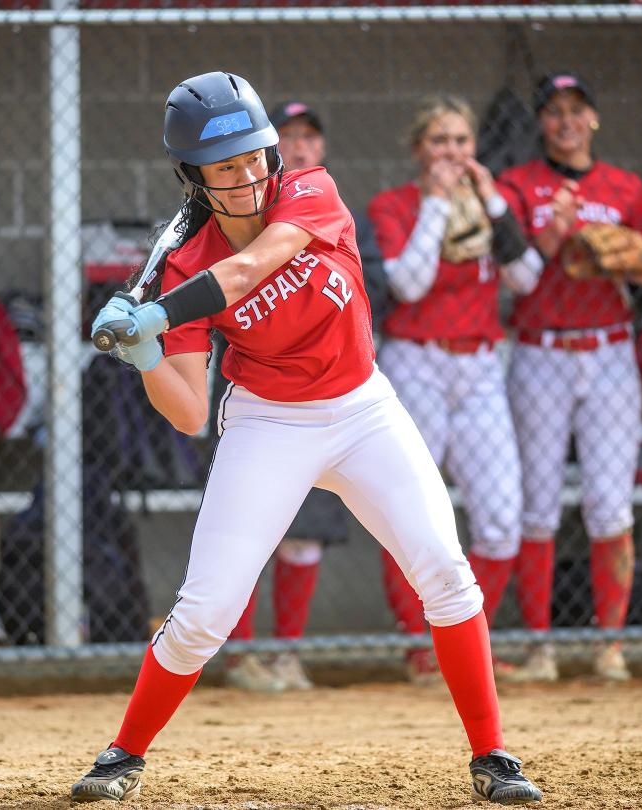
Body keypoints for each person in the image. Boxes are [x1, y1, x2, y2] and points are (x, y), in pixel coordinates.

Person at [71, 71, 542, 805]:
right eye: (226, 168)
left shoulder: (307, 189)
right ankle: (122, 754)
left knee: (446, 574)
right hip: (269, 420)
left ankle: (492, 756)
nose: (250, 175)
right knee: (204, 613)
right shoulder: (184, 263)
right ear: (193, 177)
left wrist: (159, 313)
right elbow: (190, 412)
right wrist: (145, 356)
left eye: (256, 155)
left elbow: (258, 262)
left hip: (363, 408)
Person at [367, 96, 542, 686]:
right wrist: (438, 207)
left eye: (461, 141)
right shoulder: (395, 205)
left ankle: (468, 640)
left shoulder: (491, 207)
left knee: (501, 517)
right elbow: (409, 286)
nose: (452, 153)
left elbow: (527, 275)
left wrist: (491, 203)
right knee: (411, 513)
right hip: (417, 363)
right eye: (439, 141)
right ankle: (420, 646)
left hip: (481, 368)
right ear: (419, 149)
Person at [216, 99, 389, 693]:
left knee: (306, 530)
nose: (297, 146)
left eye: (308, 137)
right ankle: (240, 657)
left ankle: (286, 654)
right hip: (262, 394)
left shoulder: (325, 199)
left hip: (336, 389)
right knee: (248, 532)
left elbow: (381, 287)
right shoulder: (226, 224)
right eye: (285, 136)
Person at [498, 71, 642, 683]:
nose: (566, 121)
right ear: (542, 122)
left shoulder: (624, 186)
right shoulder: (519, 185)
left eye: (576, 110)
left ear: (593, 117)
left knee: (608, 504)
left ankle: (609, 646)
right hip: (540, 350)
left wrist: (634, 259)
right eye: (554, 112)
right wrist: (551, 233)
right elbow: (513, 271)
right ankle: (541, 647)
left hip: (610, 350)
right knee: (537, 505)